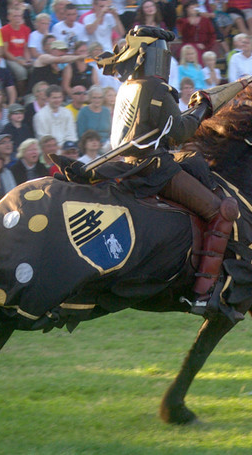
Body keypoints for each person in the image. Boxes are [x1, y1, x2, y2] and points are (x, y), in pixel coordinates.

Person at [88, 25, 239, 316]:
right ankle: (202, 294)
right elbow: (179, 133)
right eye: (162, 55)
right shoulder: (155, 88)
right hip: (152, 168)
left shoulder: (126, 88)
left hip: (126, 165)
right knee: (221, 211)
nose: (165, 61)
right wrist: (202, 108)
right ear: (148, 57)